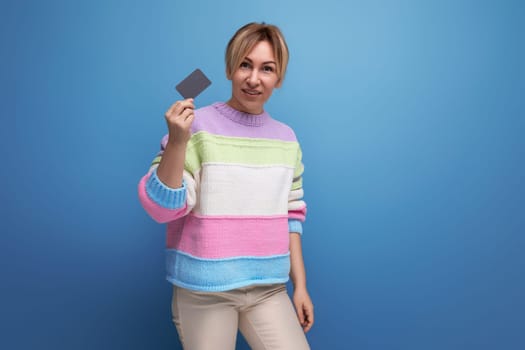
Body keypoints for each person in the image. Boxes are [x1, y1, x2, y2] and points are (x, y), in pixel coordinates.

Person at [138, 22, 313, 350]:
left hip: (269, 290)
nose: (253, 78)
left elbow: (292, 216)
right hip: (205, 291)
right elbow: (161, 209)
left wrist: (300, 286)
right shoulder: (197, 126)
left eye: (267, 69)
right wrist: (178, 141)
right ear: (230, 68)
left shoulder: (287, 139)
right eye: (245, 64)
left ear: (279, 77)